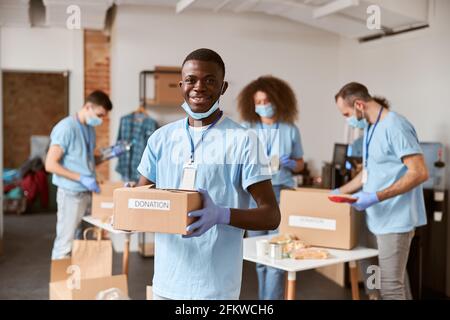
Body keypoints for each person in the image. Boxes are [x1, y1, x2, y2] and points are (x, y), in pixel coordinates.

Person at [136, 48, 280, 300]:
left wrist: (222, 215)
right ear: (181, 85)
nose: (199, 87)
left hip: (215, 288)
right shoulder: (160, 139)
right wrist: (129, 206)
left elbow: (271, 216)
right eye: (191, 80)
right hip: (166, 284)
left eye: (209, 80)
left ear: (223, 87)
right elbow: (140, 202)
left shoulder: (245, 141)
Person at [333, 82, 428, 300]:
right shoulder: (369, 128)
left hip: (395, 221)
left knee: (391, 287)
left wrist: (376, 196)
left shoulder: (396, 126)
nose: (346, 119)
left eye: (346, 113)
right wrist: (339, 191)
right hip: (373, 219)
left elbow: (419, 172)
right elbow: (368, 172)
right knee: (374, 283)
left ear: (359, 105)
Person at [237, 75, 304, 300]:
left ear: (278, 100)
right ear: (252, 104)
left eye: (267, 101)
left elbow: (300, 163)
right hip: (255, 195)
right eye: (259, 102)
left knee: (277, 254)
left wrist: (292, 163)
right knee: (260, 255)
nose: (263, 106)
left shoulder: (290, 129)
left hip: (283, 192)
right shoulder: (246, 128)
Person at [46, 91, 120, 259]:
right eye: (100, 115)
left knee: (82, 241)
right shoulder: (66, 128)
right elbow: (50, 164)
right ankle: (60, 285)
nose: (101, 119)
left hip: (87, 193)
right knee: (65, 243)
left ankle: (79, 282)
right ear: (88, 107)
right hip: (71, 193)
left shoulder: (89, 129)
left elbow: (87, 160)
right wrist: (81, 178)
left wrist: (109, 154)